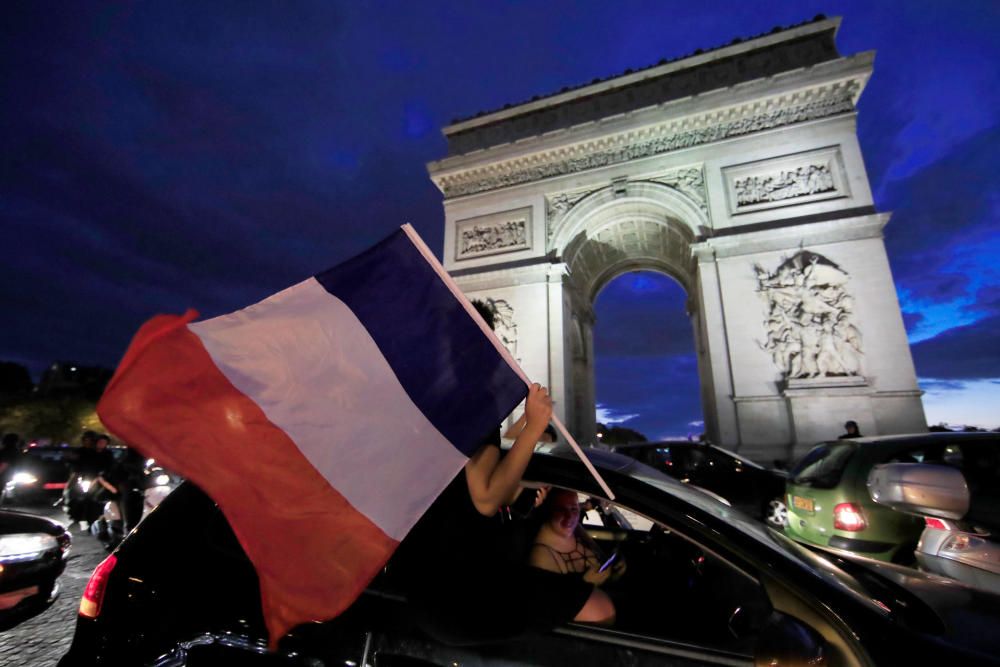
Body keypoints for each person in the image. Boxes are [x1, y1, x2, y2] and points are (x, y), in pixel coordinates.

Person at [400, 302, 613, 644]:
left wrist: (526, 436)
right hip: (466, 595)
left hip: (432, 583)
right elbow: (485, 498)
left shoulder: (441, 397)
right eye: (492, 341)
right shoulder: (474, 399)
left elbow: (466, 476)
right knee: (602, 607)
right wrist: (534, 428)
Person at [529, 489, 625, 603]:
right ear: (548, 510)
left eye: (574, 509)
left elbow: (600, 563)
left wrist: (613, 573)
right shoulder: (541, 555)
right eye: (560, 509)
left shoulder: (575, 530)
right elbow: (552, 608)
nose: (569, 516)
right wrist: (585, 586)